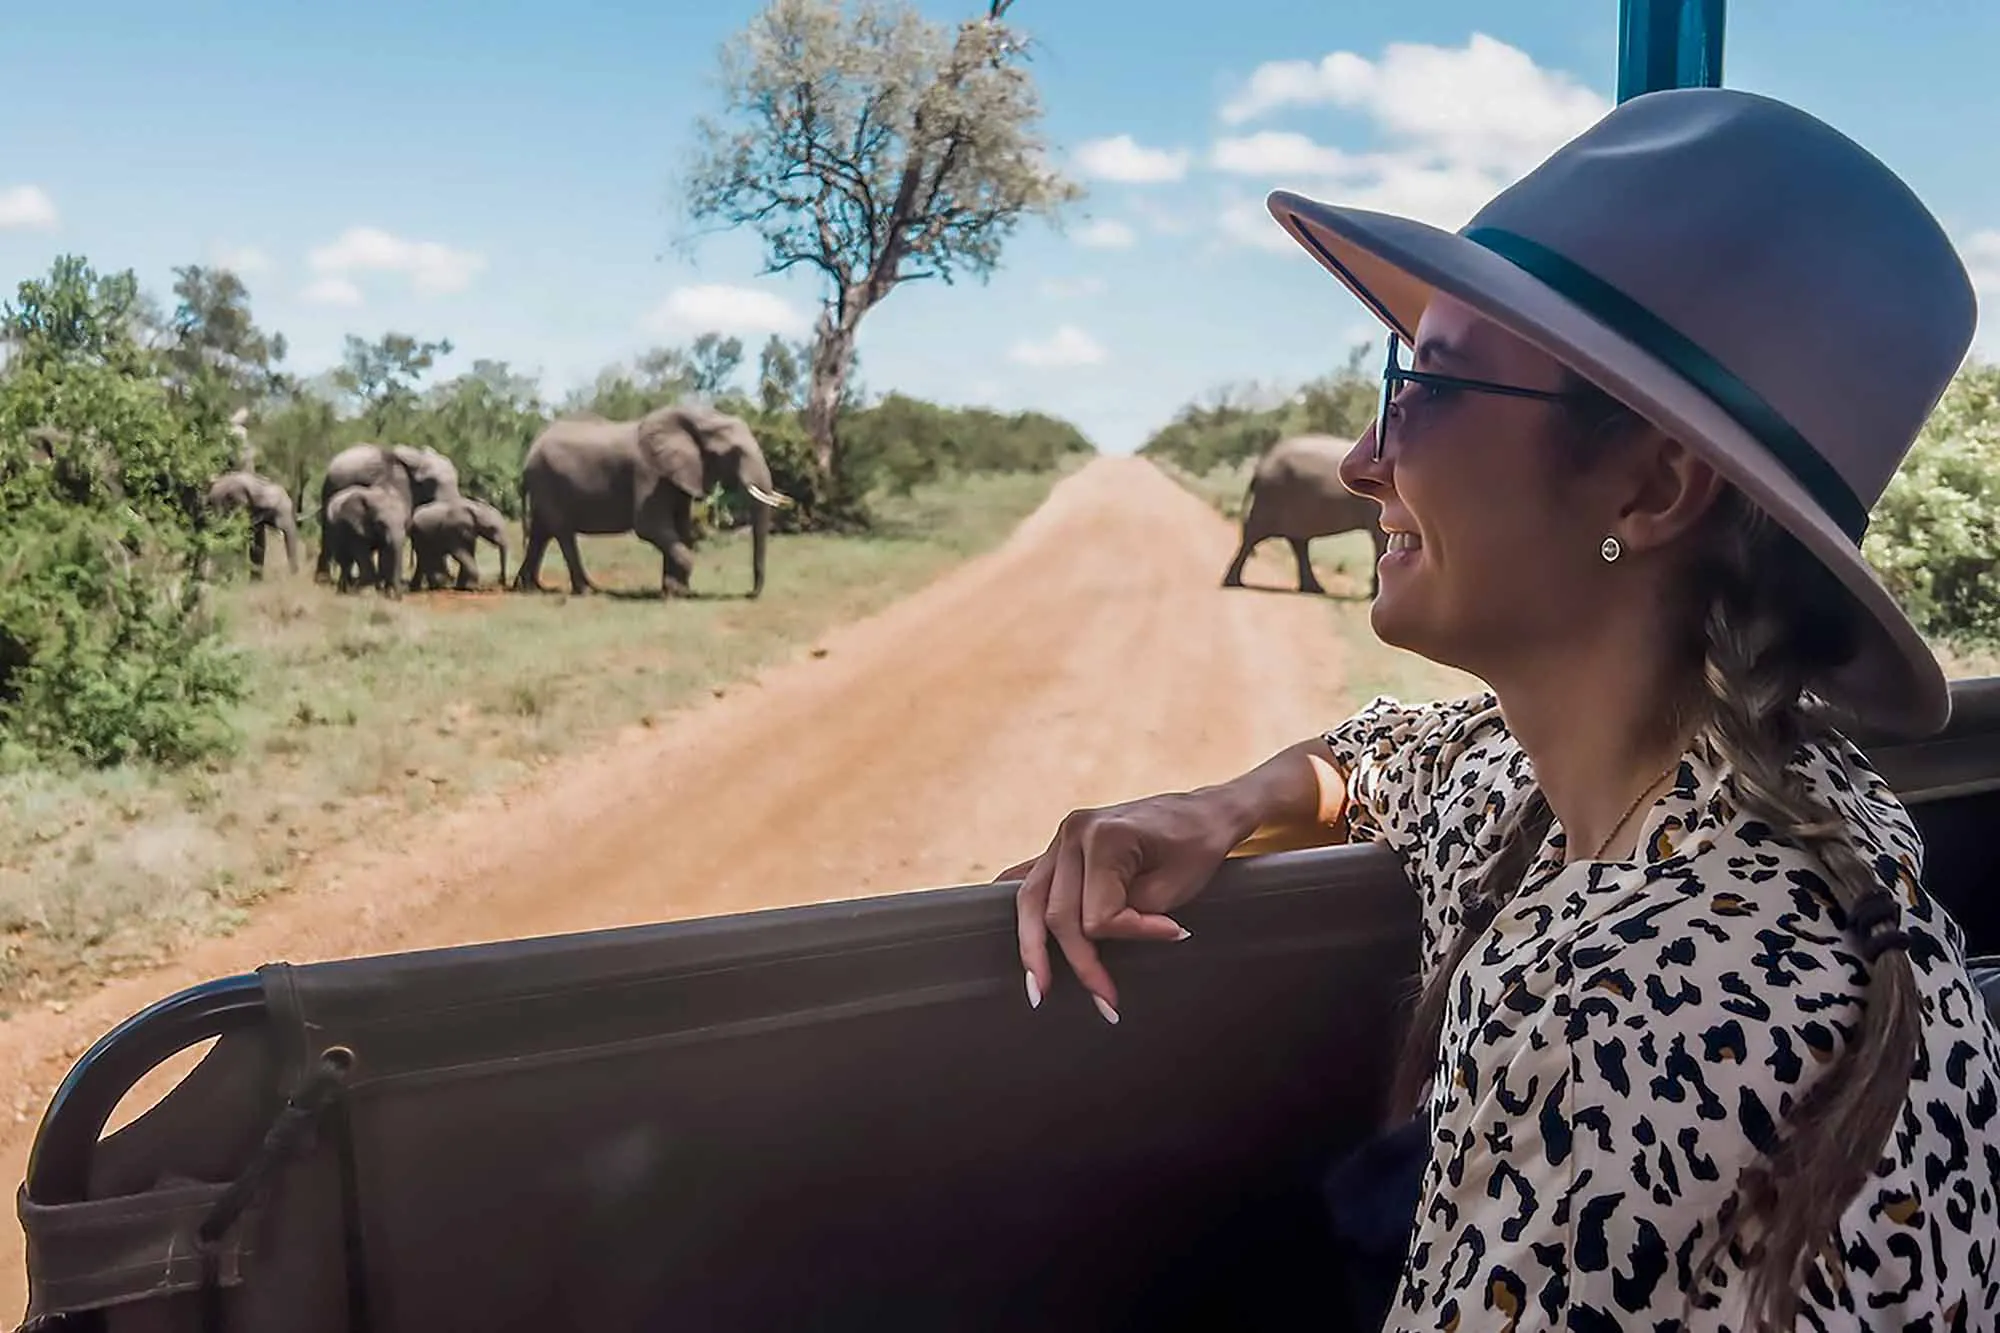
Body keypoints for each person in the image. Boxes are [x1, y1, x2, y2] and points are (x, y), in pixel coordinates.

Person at [1001, 87, 2000, 1332]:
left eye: (1426, 386)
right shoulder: (1684, 790)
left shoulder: (1641, 1029)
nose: (1362, 459)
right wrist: (1225, 804)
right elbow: (1414, 756)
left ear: (1649, 488)